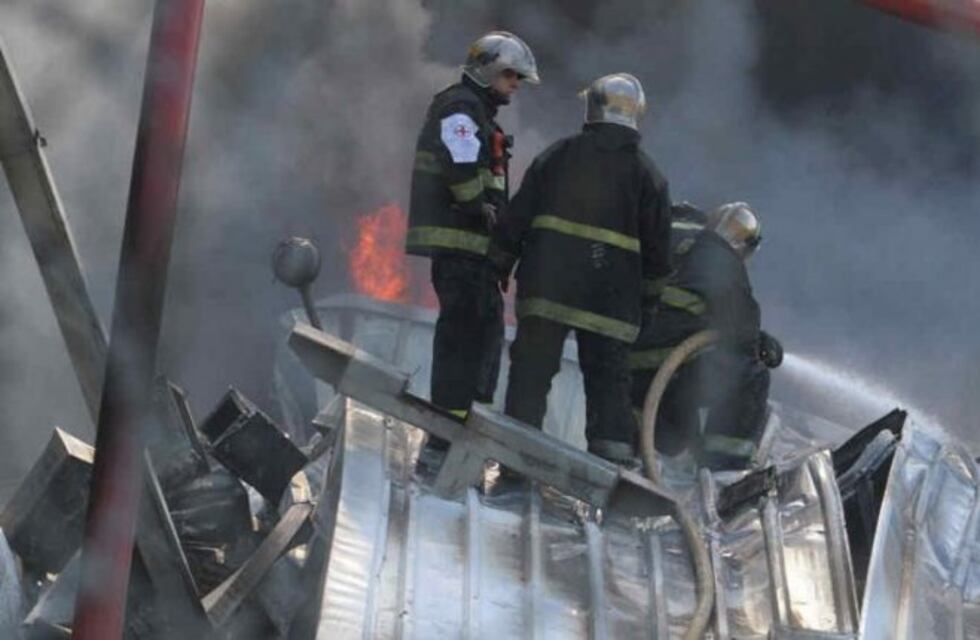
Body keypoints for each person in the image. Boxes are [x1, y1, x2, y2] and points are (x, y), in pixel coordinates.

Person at [490, 73, 672, 465]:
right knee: (609, 391)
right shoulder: (648, 176)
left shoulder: (558, 156)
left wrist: (501, 261)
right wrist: (650, 304)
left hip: (547, 291)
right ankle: (610, 483)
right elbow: (659, 255)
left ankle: (514, 467)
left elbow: (517, 217)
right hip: (611, 305)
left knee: (530, 379)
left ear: (592, 108)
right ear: (635, 115)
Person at [406, 31, 539, 434]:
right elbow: (463, 173)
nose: (515, 85)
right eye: (510, 76)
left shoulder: (476, 112)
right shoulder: (461, 109)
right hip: (461, 249)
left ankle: (466, 428)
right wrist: (479, 210)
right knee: (465, 341)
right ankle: (450, 433)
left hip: (473, 253)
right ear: (487, 71)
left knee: (481, 337)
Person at [630, 202, 783, 470]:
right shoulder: (722, 260)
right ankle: (725, 471)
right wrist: (764, 346)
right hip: (658, 368)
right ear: (744, 245)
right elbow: (743, 342)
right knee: (752, 374)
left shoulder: (667, 236)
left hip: (618, 361)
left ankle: (650, 436)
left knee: (678, 428)